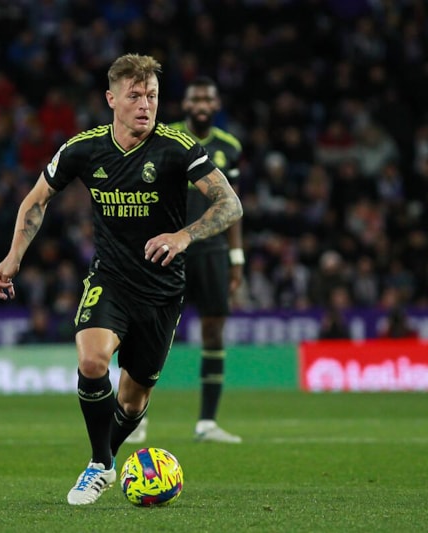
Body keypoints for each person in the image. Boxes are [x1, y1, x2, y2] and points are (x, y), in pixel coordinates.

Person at [0, 54, 242, 506]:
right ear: (111, 99)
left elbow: (230, 204)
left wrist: (183, 235)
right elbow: (37, 199)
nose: (145, 105)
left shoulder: (177, 147)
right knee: (92, 362)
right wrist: (13, 257)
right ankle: (100, 464)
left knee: (132, 401)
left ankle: (103, 462)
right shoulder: (83, 149)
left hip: (162, 289)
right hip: (110, 278)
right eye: (135, 95)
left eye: (152, 96)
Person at [127, 76, 244, 445]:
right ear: (186, 104)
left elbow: (233, 204)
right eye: (195, 99)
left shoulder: (229, 147)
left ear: (216, 104)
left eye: (208, 99)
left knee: (213, 332)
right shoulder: (166, 138)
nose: (202, 105)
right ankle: (135, 419)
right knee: (151, 331)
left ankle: (207, 423)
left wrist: (236, 257)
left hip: (212, 250)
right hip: (168, 247)